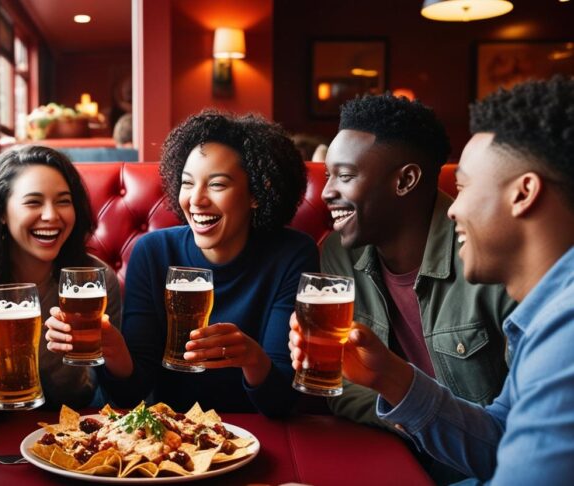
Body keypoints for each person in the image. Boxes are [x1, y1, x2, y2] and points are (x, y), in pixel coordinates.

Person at [291, 77, 574, 482]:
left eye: (462, 188)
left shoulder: (564, 324)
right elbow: (497, 443)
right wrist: (389, 375)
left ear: (523, 193)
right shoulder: (546, 309)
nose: (453, 209)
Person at [46, 110, 318, 417]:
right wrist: (112, 348)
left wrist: (252, 358)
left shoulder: (293, 254)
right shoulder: (153, 252)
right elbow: (129, 394)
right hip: (171, 437)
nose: (196, 200)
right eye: (187, 184)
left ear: (256, 192)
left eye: (217, 185)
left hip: (256, 434)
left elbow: (282, 404)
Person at [319, 94, 514, 456]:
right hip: (398, 454)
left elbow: (519, 430)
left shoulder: (492, 258)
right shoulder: (339, 253)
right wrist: (404, 418)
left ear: (406, 180)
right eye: (328, 175)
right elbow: (341, 384)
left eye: (344, 176)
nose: (327, 191)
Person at [0, 145, 122, 409]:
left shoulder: (95, 283)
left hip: (71, 428)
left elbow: (104, 393)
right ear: (0, 213)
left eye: (64, 201)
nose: (51, 216)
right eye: (33, 202)